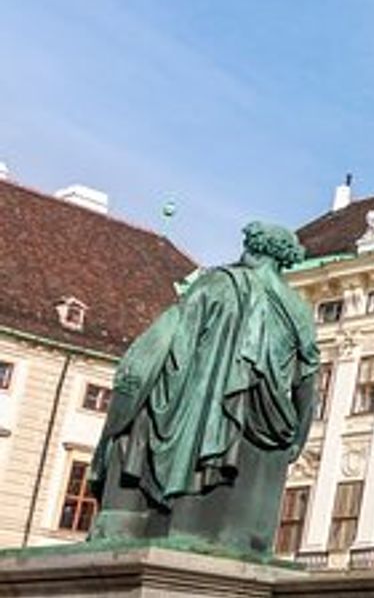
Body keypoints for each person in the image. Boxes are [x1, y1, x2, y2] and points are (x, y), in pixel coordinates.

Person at [88, 222, 319, 555]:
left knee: (141, 419)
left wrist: (145, 383)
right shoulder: (297, 308)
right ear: (283, 260)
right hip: (267, 418)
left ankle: (128, 513)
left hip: (204, 405)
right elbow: (308, 377)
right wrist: (299, 432)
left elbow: (171, 340)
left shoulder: (216, 283)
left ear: (252, 249)